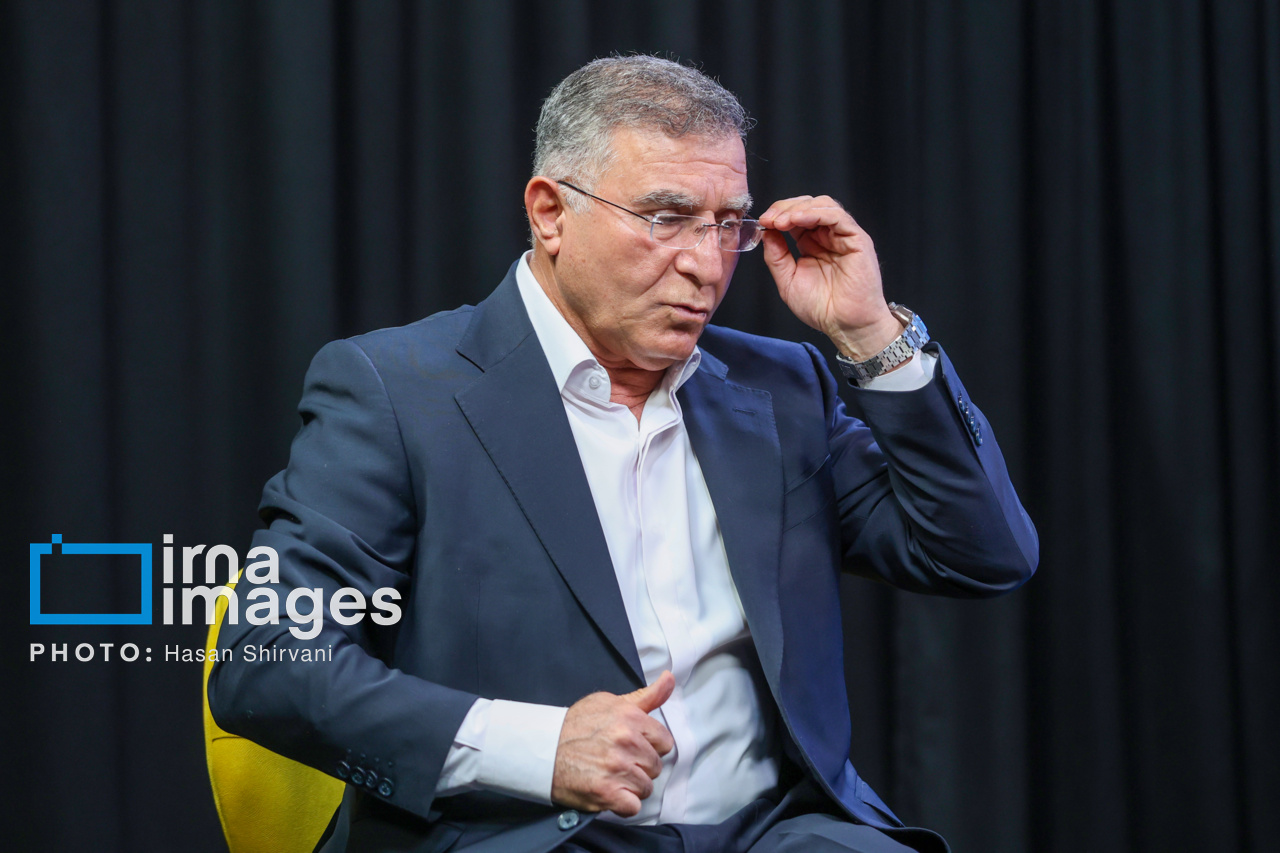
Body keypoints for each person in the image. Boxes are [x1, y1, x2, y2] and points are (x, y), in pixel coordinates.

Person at [209, 55, 1037, 853]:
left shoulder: (781, 388)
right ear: (550, 212)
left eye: (728, 224)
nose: (705, 264)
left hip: (775, 832)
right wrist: (537, 747)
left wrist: (873, 336)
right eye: (665, 217)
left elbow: (980, 553)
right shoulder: (397, 391)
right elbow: (266, 663)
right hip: (519, 834)